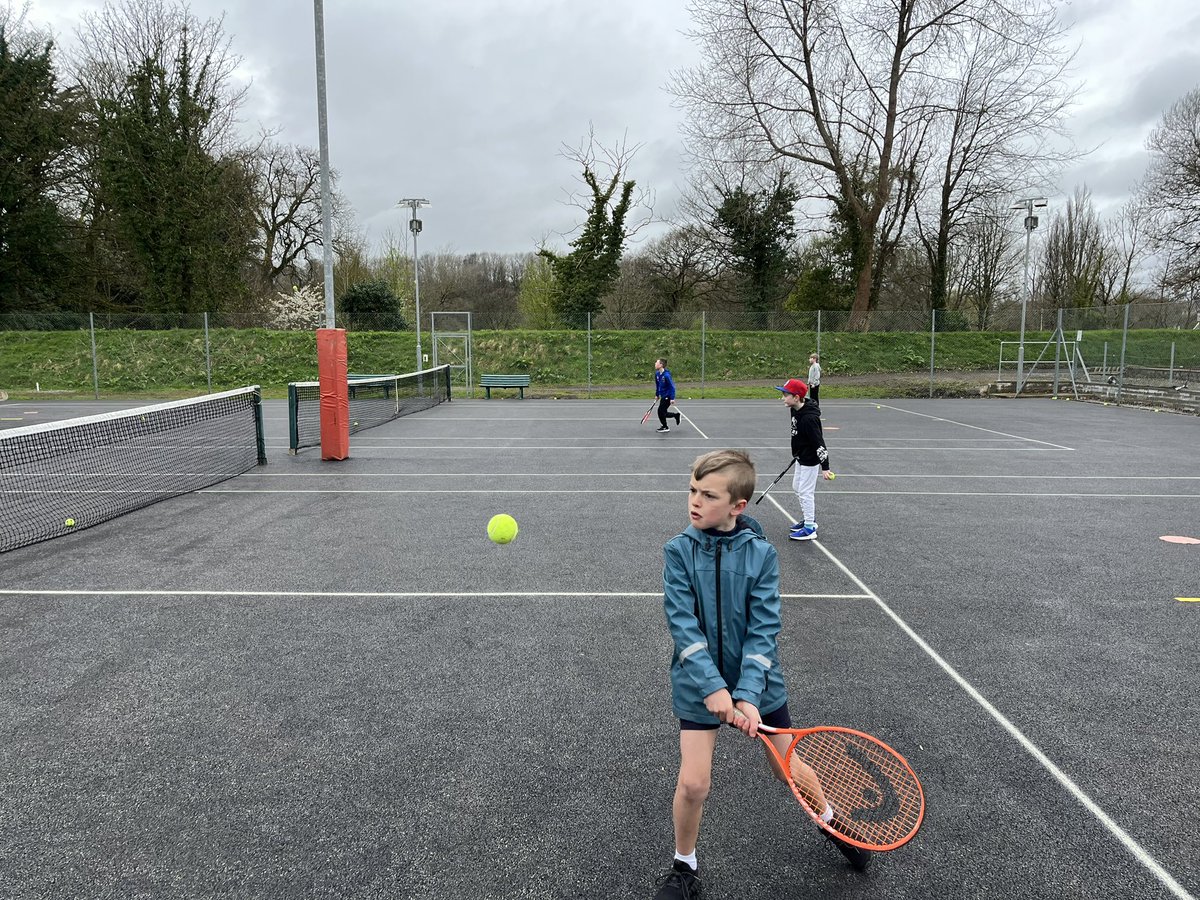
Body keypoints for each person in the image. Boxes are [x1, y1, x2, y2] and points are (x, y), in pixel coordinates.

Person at [654, 450, 867, 899]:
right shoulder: (677, 551)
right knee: (693, 783)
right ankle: (684, 867)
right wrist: (714, 687)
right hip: (698, 686)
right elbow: (682, 624)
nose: (694, 501)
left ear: (738, 506)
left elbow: (764, 629)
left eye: (708, 495)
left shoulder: (762, 555)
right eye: (692, 489)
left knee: (787, 769)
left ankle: (831, 821)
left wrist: (748, 695)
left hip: (761, 684)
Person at [775, 378, 832, 542]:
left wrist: (825, 467)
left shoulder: (809, 419)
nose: (782, 398)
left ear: (796, 397)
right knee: (796, 487)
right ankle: (809, 520)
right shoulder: (795, 409)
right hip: (801, 456)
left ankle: (809, 528)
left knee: (805, 492)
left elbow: (819, 442)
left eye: (785, 395)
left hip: (810, 459)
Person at [654, 358, 681, 433]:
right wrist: (657, 395)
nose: (655, 364)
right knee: (663, 412)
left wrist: (672, 398)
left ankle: (665, 427)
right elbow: (658, 385)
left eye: (657, 362)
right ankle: (675, 415)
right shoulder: (657, 374)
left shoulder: (666, 375)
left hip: (667, 396)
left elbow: (672, 386)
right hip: (663, 395)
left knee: (660, 411)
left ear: (661, 365)